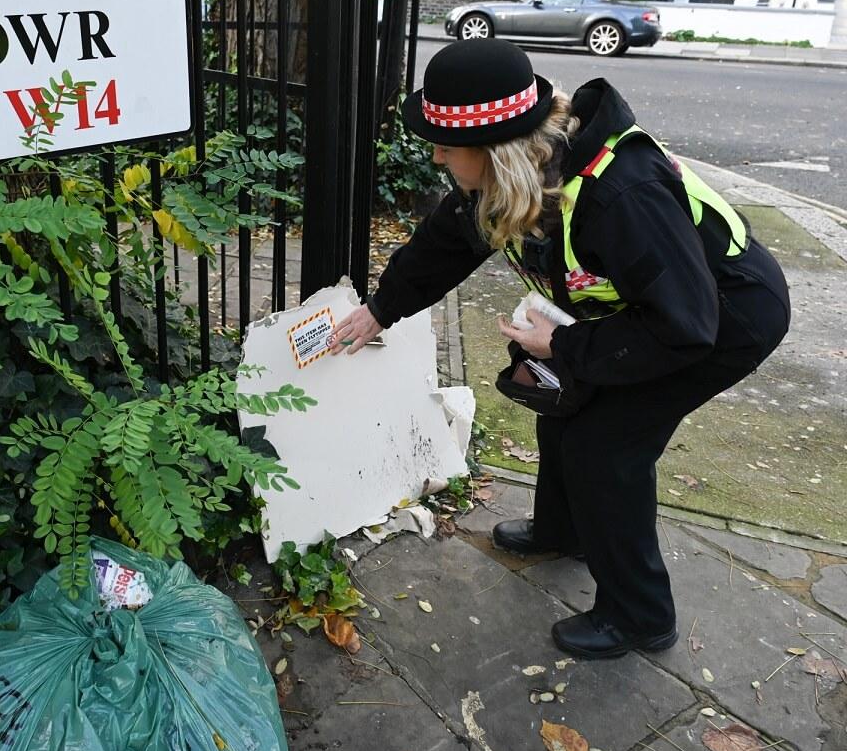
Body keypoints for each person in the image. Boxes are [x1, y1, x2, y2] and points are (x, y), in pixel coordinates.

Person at [329, 39, 790, 659]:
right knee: (563, 406)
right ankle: (562, 531)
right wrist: (380, 310)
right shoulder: (512, 175)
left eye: (445, 145)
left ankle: (639, 615)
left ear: (498, 153)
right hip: (643, 312)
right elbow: (447, 243)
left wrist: (567, 343)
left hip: (723, 318)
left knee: (607, 448)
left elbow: (685, 326)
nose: (436, 156)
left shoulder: (620, 195)